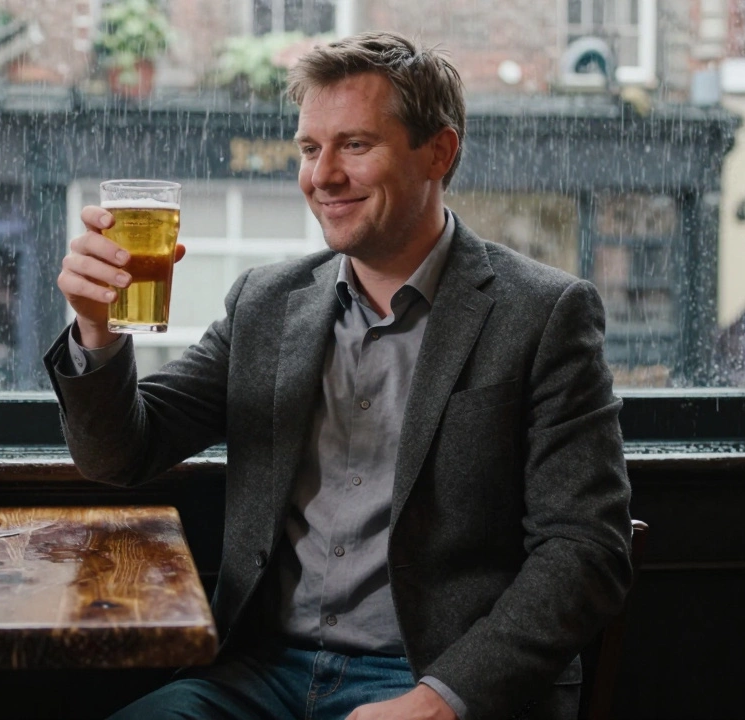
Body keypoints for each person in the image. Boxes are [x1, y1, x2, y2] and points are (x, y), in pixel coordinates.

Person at [46, 32, 633, 720]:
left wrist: (440, 701)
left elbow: (586, 548)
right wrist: (96, 329)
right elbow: (121, 454)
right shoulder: (266, 302)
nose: (321, 175)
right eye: (308, 148)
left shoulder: (544, 312)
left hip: (435, 680)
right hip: (259, 673)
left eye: (354, 145)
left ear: (438, 152)